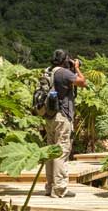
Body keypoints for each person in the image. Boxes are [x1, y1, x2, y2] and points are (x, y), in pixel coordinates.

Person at [44, 49, 86, 198]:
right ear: (64, 60)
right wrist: (77, 68)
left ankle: (50, 187)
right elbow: (82, 82)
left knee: (50, 152)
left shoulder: (49, 71)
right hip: (62, 116)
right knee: (61, 151)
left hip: (49, 116)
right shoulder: (64, 73)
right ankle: (60, 188)